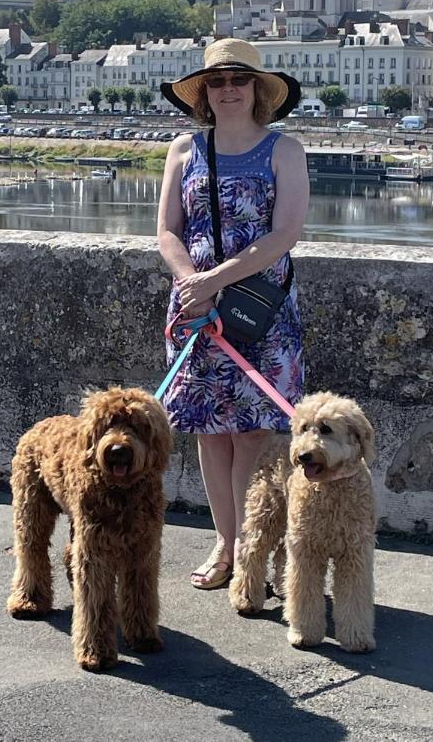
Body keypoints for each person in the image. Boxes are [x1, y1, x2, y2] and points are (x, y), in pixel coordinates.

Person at [156, 38, 309, 590]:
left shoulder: (284, 151)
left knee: (252, 434)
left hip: (261, 311)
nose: (227, 90)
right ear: (204, 93)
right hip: (197, 310)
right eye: (216, 82)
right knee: (210, 433)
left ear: (256, 90)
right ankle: (226, 544)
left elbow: (286, 233)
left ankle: (249, 548)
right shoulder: (183, 150)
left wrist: (214, 281)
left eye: (237, 80)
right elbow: (168, 231)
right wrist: (190, 285)